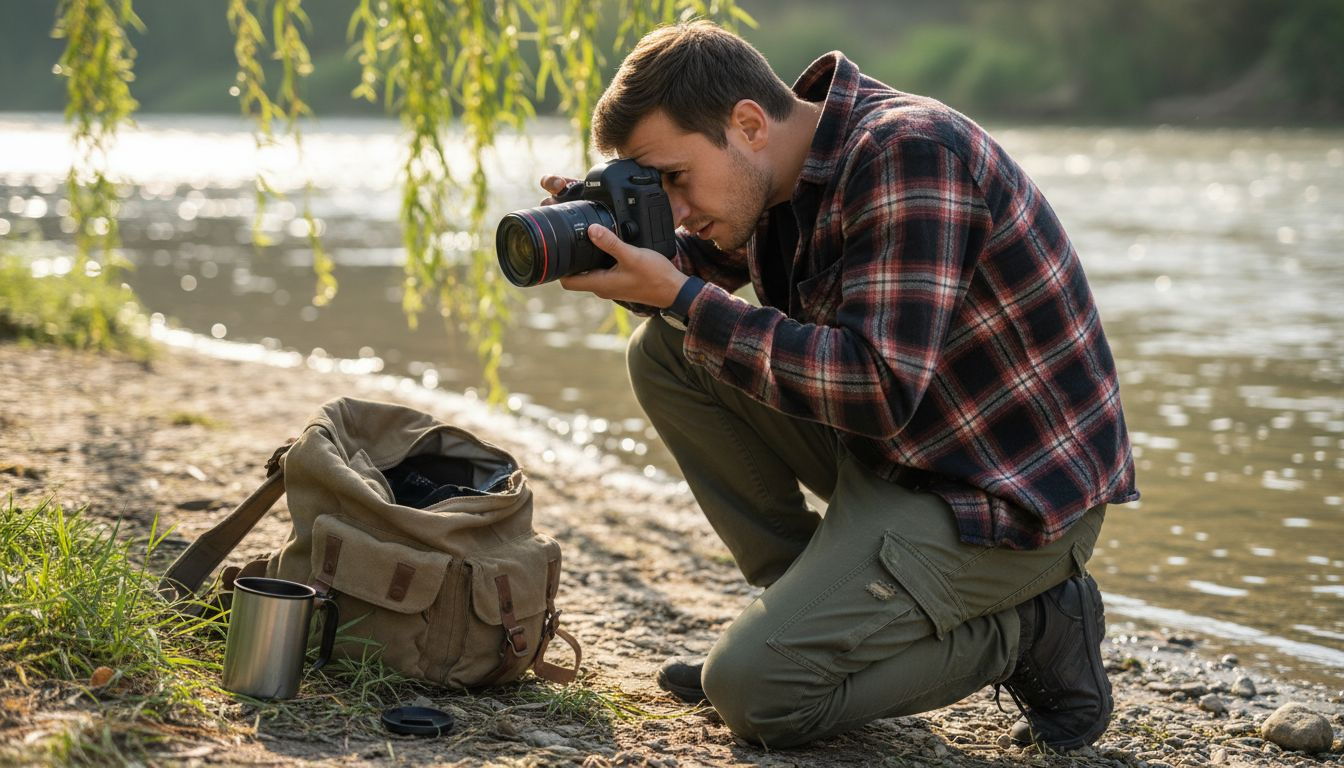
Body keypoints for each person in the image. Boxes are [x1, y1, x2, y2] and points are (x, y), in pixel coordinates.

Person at [541, 20, 1139, 751]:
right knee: (666, 350)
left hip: (1003, 498)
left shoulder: (910, 155)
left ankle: (1034, 630)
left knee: (756, 696)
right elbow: (683, 277)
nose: (678, 208)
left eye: (674, 179)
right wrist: (609, 236)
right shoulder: (774, 170)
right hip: (901, 454)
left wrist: (682, 296)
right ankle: (804, 616)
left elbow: (878, 388)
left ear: (748, 124)